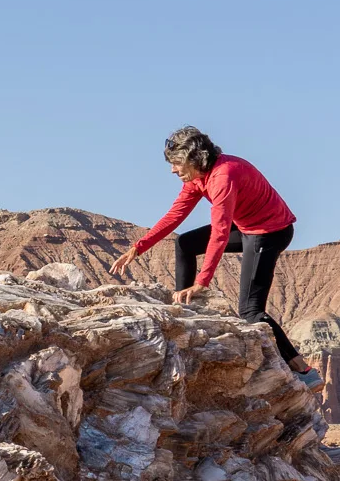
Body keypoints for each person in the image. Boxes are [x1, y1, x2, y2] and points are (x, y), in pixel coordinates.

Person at [113, 125, 313, 378]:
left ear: (194, 159)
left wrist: (202, 282)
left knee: (250, 312)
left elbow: (219, 233)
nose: (173, 170)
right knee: (185, 243)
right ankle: (184, 308)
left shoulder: (223, 176)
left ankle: (304, 371)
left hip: (270, 232)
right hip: (245, 226)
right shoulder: (198, 177)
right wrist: (138, 247)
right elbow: (175, 215)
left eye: (176, 163)